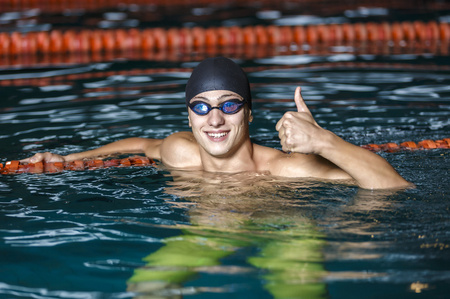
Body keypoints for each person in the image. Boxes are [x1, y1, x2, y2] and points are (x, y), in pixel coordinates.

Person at [21, 57, 410, 190]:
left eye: (229, 104)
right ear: (189, 117)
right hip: (205, 238)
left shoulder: (287, 168)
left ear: (250, 113)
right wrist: (70, 157)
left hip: (284, 233)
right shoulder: (179, 152)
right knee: (151, 283)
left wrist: (324, 141)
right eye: (202, 108)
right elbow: (137, 144)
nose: (216, 119)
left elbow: (393, 186)